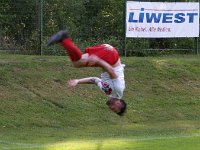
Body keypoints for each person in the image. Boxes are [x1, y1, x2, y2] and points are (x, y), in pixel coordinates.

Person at [48, 30, 126, 116]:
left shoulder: (109, 92)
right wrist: (98, 61)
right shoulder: (118, 90)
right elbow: (111, 71)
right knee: (79, 62)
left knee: (77, 63)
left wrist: (78, 81)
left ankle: (63, 39)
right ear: (118, 104)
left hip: (109, 55)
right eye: (114, 109)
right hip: (111, 56)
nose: (111, 109)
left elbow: (94, 80)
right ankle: (63, 38)